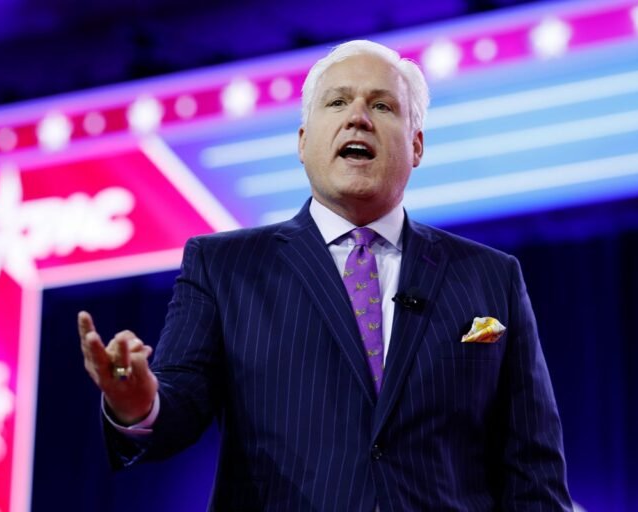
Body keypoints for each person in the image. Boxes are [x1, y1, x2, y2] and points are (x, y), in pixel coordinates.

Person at [79, 39, 573, 511]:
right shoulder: (223, 267)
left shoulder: (491, 277)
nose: (358, 117)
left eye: (382, 107)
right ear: (302, 141)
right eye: (337, 103)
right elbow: (178, 407)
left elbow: (533, 469)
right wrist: (140, 405)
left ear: (417, 146)